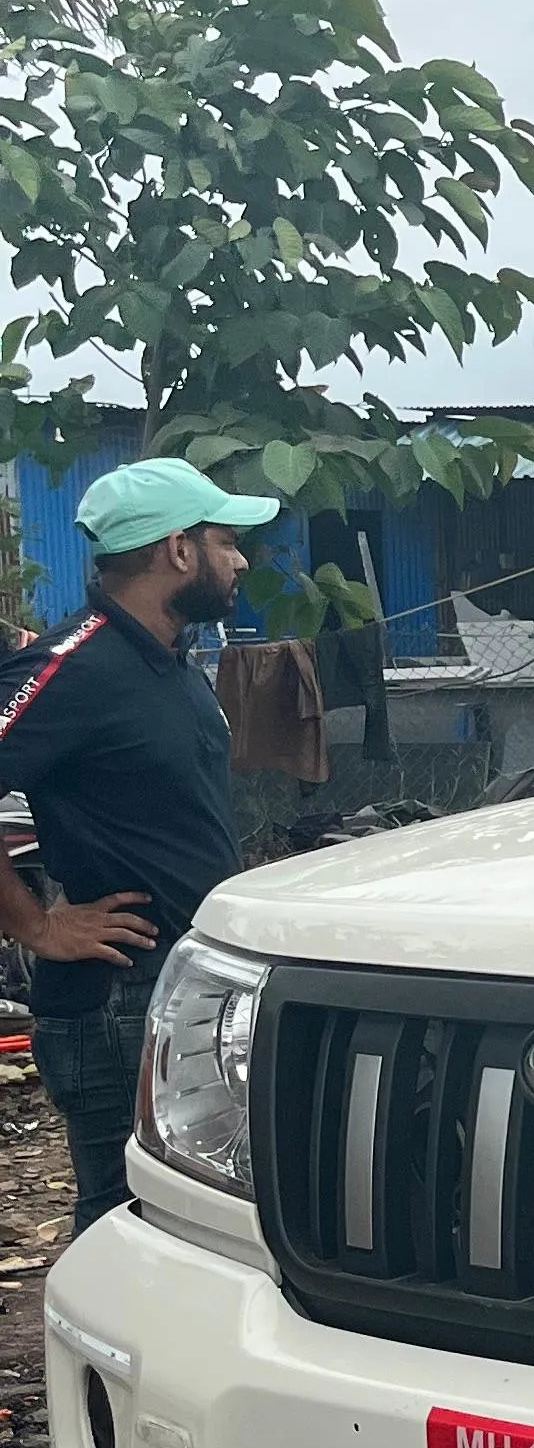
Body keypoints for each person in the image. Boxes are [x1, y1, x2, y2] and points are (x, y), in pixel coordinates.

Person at [0, 458, 279, 1231]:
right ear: (177, 551)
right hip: (116, 998)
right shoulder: (73, 668)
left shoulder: (170, 662)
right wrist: (37, 926)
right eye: (226, 540)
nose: (240, 558)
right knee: (127, 1219)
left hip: (189, 982)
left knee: (199, 1217)